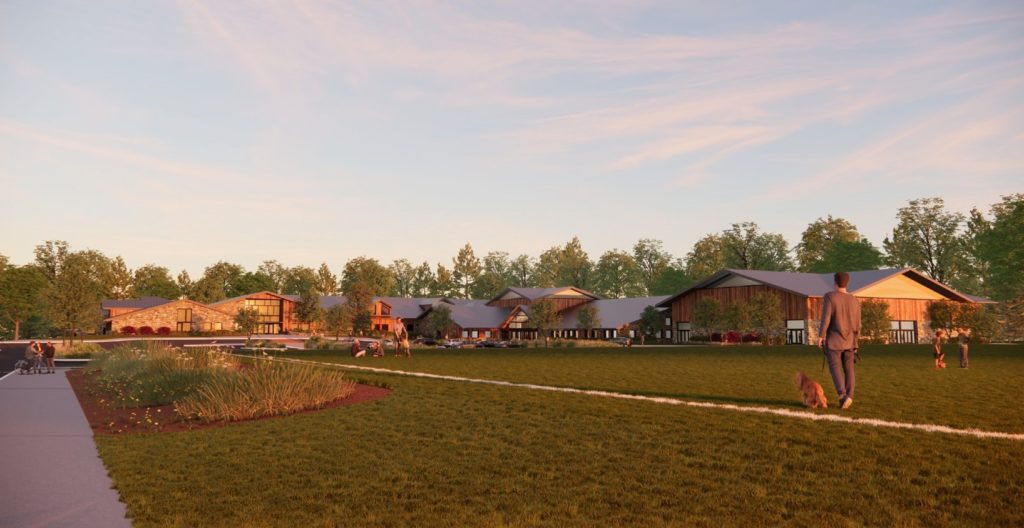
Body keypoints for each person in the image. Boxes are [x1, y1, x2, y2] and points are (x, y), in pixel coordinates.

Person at [818, 271, 861, 410]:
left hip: (834, 340)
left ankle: (842, 396)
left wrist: (821, 336)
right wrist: (856, 341)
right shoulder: (854, 300)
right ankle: (850, 396)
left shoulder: (830, 297)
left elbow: (826, 319)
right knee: (849, 369)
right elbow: (858, 323)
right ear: (847, 283)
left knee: (834, 367)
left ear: (835, 282)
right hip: (850, 340)